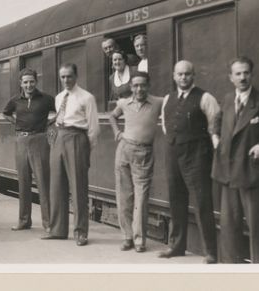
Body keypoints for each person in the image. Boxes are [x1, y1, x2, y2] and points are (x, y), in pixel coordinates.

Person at [211, 57, 259, 263]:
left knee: (255, 229)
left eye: (246, 73)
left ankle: (258, 272)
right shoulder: (228, 99)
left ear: (251, 75)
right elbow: (216, 121)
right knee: (228, 227)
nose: (242, 77)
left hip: (252, 172)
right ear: (231, 77)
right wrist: (215, 137)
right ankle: (229, 270)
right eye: (238, 73)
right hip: (228, 173)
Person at [159, 60, 219, 264]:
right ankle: (177, 246)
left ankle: (210, 251)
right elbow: (166, 126)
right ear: (174, 76)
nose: (183, 78)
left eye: (187, 74)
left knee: (203, 203)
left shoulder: (206, 98)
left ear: (193, 76)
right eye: (180, 74)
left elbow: (214, 128)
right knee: (176, 200)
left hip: (196, 156)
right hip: (173, 153)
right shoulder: (168, 98)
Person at [41, 63, 99, 246]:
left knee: (78, 187)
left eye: (69, 76)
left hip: (77, 138)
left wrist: (87, 151)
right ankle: (58, 229)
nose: (66, 80)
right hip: (59, 137)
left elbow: (94, 129)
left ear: (76, 76)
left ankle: (80, 232)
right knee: (56, 185)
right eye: (63, 77)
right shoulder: (59, 97)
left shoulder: (87, 98)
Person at [109, 72, 163, 253]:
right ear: (131, 87)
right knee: (124, 196)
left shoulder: (158, 102)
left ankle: (140, 240)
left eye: (142, 85)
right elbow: (112, 116)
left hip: (144, 153)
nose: (139, 89)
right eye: (135, 85)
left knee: (141, 197)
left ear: (148, 86)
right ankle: (127, 237)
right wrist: (117, 132)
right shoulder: (124, 103)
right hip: (123, 151)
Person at [3, 68, 56, 232]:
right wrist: (16, 124)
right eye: (25, 82)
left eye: (31, 81)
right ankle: (24, 221)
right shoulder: (15, 100)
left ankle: (48, 223)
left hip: (39, 140)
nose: (29, 85)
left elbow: (60, 111)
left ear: (36, 81)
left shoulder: (46, 99)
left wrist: (49, 123)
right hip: (21, 141)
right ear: (21, 83)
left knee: (43, 182)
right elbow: (6, 113)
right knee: (23, 182)